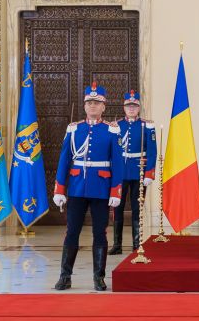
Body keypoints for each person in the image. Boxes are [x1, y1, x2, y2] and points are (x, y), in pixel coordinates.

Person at [52, 82, 123, 291]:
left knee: (100, 234)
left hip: (101, 189)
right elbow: (64, 160)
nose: (92, 106)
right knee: (71, 232)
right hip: (76, 188)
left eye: (97, 103)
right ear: (84, 106)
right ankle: (65, 276)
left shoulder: (111, 130)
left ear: (104, 106)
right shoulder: (74, 129)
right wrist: (59, 188)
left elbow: (117, 162)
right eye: (89, 102)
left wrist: (115, 190)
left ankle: (98, 277)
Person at [110, 89, 157, 255]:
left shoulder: (147, 126)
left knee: (137, 208)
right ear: (124, 108)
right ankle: (117, 244)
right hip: (120, 172)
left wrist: (150, 173)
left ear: (139, 108)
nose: (131, 109)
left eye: (134, 106)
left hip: (139, 172)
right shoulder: (116, 126)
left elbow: (152, 151)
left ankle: (137, 244)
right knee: (118, 208)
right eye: (128, 106)